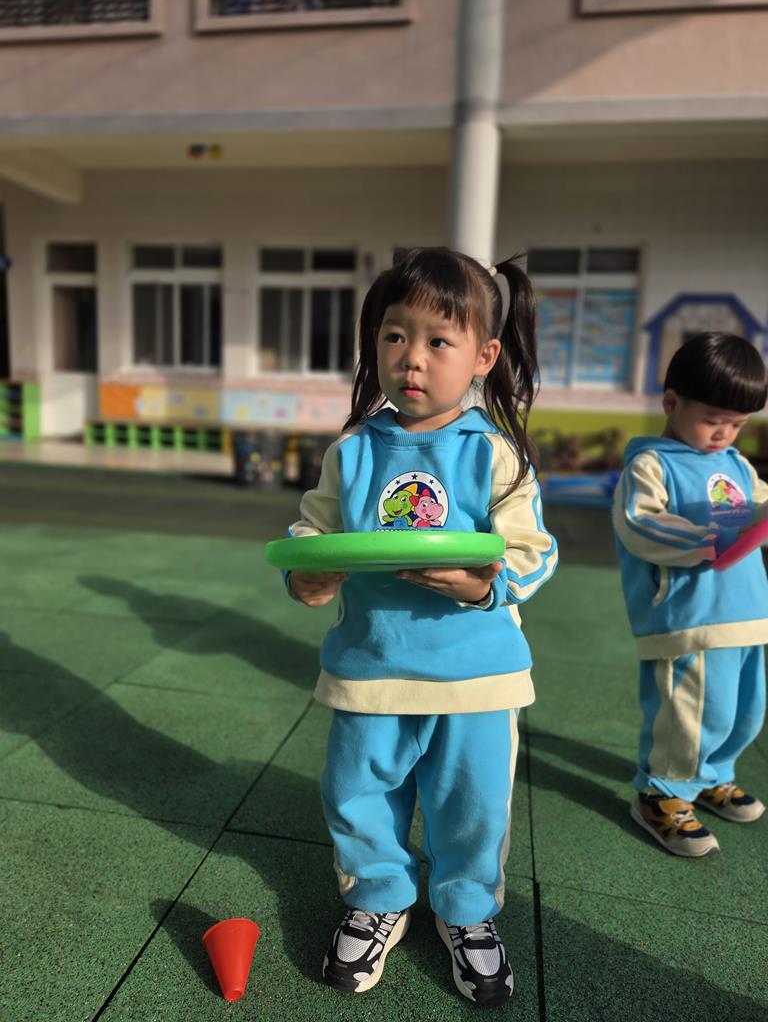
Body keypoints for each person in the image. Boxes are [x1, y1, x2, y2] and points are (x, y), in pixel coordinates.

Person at [283, 247, 557, 1005]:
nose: (412, 358)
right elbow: (312, 530)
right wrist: (306, 572)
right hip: (372, 668)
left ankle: (466, 910)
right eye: (395, 335)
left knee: (472, 805)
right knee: (357, 794)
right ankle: (378, 895)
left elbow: (532, 550)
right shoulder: (353, 451)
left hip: (477, 676)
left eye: (439, 340)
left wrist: (482, 584)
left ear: (483, 357)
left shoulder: (493, 452)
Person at [613, 331, 768, 858]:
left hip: (747, 614)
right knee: (693, 712)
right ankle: (661, 792)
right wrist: (711, 537)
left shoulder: (737, 464)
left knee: (743, 710)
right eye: (714, 419)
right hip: (689, 618)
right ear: (672, 402)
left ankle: (712, 776)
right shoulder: (651, 465)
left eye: (738, 424)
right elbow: (642, 525)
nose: (725, 433)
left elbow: (758, 511)